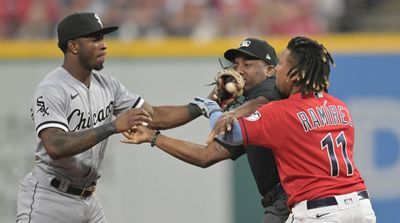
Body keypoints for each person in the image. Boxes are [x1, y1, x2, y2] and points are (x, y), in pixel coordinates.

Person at [16, 12, 203, 223]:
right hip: (50, 200)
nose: (103, 45)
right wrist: (112, 127)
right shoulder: (52, 88)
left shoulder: (107, 85)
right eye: (95, 39)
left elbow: (155, 116)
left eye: (103, 39)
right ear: (73, 46)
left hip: (88, 200)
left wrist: (204, 105)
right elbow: (55, 146)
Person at [197, 36, 376, 222]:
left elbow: (230, 135)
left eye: (281, 64)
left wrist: (212, 106)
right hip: (361, 206)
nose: (276, 70)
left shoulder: (282, 111)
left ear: (296, 74)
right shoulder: (340, 107)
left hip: (320, 211)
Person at [122, 38, 290, 222]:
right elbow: (206, 156)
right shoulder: (248, 119)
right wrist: (153, 137)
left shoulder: (271, 89)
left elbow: (263, 102)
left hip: (290, 196)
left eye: (247, 64)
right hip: (283, 199)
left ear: (270, 70)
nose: (239, 69)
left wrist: (230, 114)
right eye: (235, 64)